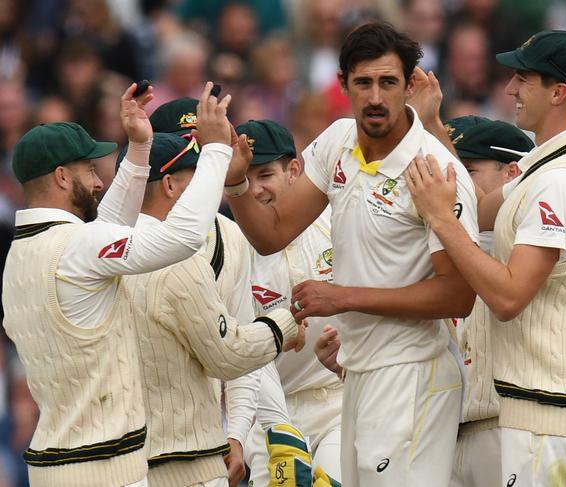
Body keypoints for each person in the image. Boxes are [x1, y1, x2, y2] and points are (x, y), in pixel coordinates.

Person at [224, 22, 479, 486]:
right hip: (356, 375)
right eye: (363, 83)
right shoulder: (338, 140)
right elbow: (271, 233)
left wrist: (342, 298)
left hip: (413, 375)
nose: (376, 97)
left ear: (409, 86)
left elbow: (458, 296)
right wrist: (236, 183)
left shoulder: (436, 170)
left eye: (388, 83)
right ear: (343, 85)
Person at [406, 30, 566, 486]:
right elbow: (477, 210)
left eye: (523, 79)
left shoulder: (561, 181)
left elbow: (509, 296)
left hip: (549, 416)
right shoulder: (552, 168)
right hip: (545, 415)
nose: (510, 89)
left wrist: (444, 222)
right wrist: (431, 127)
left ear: (557, 92)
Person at [1, 81, 232, 487]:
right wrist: (215, 151)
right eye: (88, 170)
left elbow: (105, 229)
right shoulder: (76, 246)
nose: (97, 181)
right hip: (107, 470)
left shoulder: (20, 256)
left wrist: (139, 148)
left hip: (51, 468)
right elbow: (180, 238)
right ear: (60, 176)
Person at [118, 130, 305, 487]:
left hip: (114, 460)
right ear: (171, 185)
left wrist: (235, 433)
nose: (207, 193)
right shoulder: (180, 261)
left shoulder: (91, 249)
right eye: (197, 181)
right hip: (183, 461)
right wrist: (286, 322)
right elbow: (229, 353)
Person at [234, 119, 343, 485]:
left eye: (265, 175)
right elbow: (242, 350)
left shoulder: (336, 222)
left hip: (340, 402)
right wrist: (278, 425)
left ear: (294, 170)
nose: (256, 189)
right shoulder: (231, 245)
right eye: (244, 178)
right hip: (272, 413)